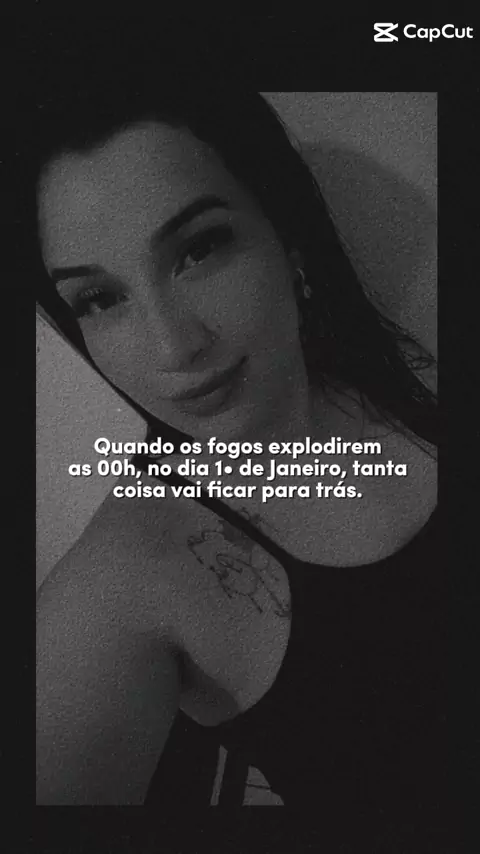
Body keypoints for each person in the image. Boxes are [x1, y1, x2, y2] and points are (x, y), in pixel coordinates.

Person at [33, 39, 444, 844]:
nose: (173, 347)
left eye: (198, 250)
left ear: (288, 239)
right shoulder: (123, 582)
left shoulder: (397, 388)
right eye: (100, 299)